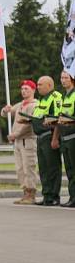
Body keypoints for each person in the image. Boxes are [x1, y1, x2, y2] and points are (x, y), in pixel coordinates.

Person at [1, 79, 39, 205]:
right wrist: (5, 110)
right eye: (22, 89)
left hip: (27, 141)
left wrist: (15, 135)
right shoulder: (21, 104)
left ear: (33, 90)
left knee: (29, 168)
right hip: (17, 141)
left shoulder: (34, 105)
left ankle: (31, 194)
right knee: (20, 169)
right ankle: (25, 192)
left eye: (26, 89)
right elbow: (7, 113)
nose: (23, 91)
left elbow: (28, 125)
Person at [30, 75, 63, 206]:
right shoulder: (42, 99)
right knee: (43, 169)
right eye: (37, 84)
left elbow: (58, 119)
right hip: (40, 137)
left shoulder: (55, 97)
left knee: (52, 168)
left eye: (40, 85)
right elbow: (40, 117)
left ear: (49, 85)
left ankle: (54, 196)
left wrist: (55, 138)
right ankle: (47, 195)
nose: (38, 87)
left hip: (49, 136)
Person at [55, 71, 75, 207]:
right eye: (61, 77)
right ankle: (72, 197)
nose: (63, 80)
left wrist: (69, 121)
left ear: (72, 79)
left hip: (73, 138)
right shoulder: (64, 97)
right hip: (65, 138)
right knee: (69, 171)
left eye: (65, 78)